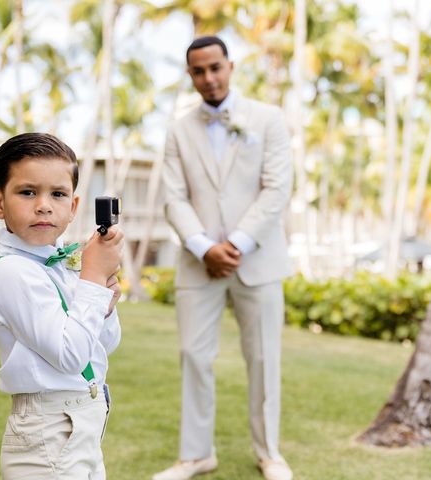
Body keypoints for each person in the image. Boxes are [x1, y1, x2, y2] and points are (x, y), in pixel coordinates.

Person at [153, 36, 294, 480]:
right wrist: (203, 247)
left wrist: (235, 243)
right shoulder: (177, 131)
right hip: (198, 263)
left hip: (259, 260)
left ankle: (270, 453)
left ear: (230, 67)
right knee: (193, 356)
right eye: (199, 71)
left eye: (215, 68)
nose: (209, 78)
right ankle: (196, 455)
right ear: (190, 75)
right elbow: (173, 198)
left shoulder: (268, 119)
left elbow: (277, 189)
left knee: (265, 359)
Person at [0, 132, 124, 479]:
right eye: (28, 192)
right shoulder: (12, 272)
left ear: (73, 207)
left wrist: (102, 303)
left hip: (83, 423)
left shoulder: (59, 264)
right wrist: (91, 278)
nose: (44, 204)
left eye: (57, 194)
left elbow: (105, 344)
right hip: (47, 431)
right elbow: (69, 355)